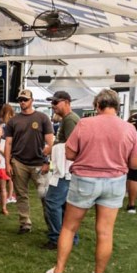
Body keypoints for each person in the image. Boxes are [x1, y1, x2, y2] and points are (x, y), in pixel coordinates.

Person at [46, 88, 137, 273]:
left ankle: (58, 272)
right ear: (117, 106)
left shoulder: (85, 124)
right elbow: (136, 163)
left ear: (97, 106)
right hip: (115, 181)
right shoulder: (129, 128)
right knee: (105, 232)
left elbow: (70, 153)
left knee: (69, 227)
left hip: (85, 179)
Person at [3, 88, 54, 234]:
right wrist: (7, 163)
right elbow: (8, 143)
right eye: (20, 100)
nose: (22, 102)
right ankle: (25, 223)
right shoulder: (13, 121)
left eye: (25, 99)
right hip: (19, 162)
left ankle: (52, 226)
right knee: (21, 195)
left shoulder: (43, 117)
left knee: (46, 196)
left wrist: (47, 162)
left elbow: (50, 142)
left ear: (32, 100)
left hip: (39, 163)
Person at [43, 90, 80, 250]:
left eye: (56, 102)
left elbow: (73, 147)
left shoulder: (70, 119)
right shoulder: (68, 119)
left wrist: (52, 149)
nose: (53, 106)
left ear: (66, 102)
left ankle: (57, 238)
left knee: (52, 202)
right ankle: (69, 237)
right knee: (64, 204)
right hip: (65, 170)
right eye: (52, 103)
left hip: (65, 171)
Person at [0, 102, 16, 203]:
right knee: (11, 174)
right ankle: (10, 196)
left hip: (1, 145)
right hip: (11, 145)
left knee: (1, 170)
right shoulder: (14, 121)